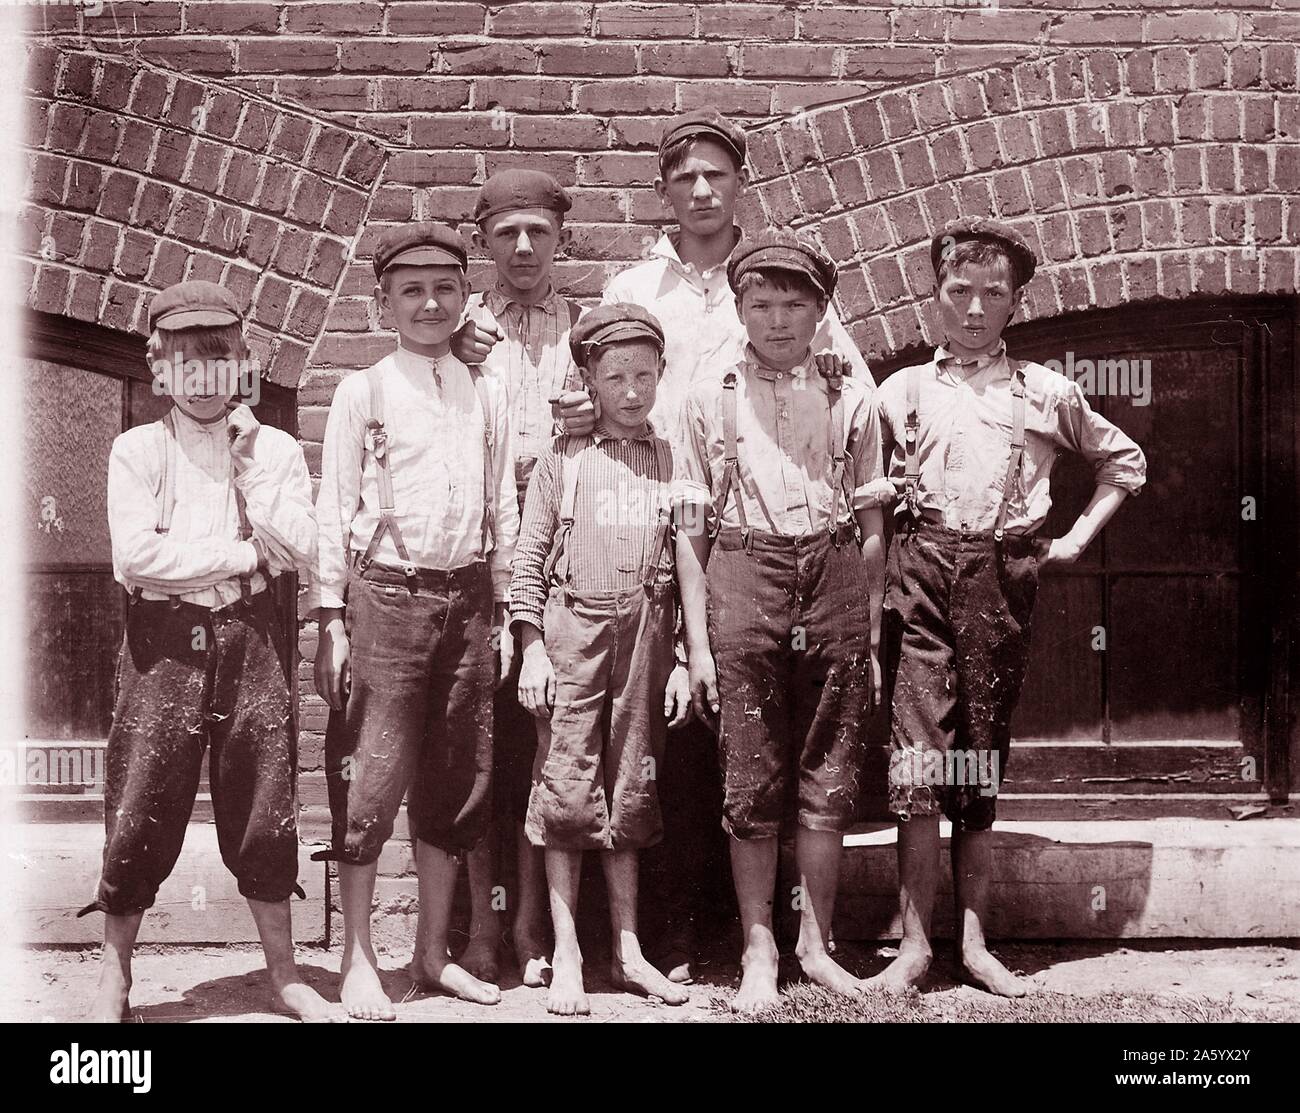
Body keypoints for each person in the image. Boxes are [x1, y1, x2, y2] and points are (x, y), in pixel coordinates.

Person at [869, 218, 1148, 997]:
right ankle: (915, 947)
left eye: (994, 293)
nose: (974, 308)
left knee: (979, 753)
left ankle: (977, 943)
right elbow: (853, 464)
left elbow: (1124, 462)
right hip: (920, 571)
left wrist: (1073, 538)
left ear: (1017, 301)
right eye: (959, 291)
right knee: (919, 756)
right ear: (935, 295)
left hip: (1001, 575)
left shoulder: (1044, 390)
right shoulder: (902, 392)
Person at [83, 280, 335, 1022]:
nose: (203, 377)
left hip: (252, 638)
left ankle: (284, 973)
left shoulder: (276, 449)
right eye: (185, 360)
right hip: (163, 641)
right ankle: (115, 972)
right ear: (159, 366)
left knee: (264, 799)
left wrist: (251, 457)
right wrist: (239, 555)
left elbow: (299, 547)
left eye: (219, 358)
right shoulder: (138, 449)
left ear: (244, 363)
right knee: (142, 800)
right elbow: (137, 558)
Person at [675, 231, 887, 1012]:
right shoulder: (707, 394)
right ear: (739, 310)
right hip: (743, 566)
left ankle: (817, 942)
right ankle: (758, 943)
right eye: (760, 303)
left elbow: (871, 524)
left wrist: (866, 627)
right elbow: (689, 530)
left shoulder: (849, 393)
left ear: (821, 310)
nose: (777, 319)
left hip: (831, 569)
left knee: (829, 766)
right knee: (751, 769)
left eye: (794, 303)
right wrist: (696, 645)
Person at [311, 222, 519, 1019]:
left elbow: (503, 501)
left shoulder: (487, 390)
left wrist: (502, 609)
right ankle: (358, 957)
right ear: (383, 302)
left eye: (445, 289)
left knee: (454, 783)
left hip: (467, 599)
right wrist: (331, 617)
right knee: (372, 777)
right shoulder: (363, 390)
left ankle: (431, 953)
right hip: (385, 598)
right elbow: (334, 511)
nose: (430, 304)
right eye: (411, 291)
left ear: (466, 297)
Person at [510, 303, 691, 1015]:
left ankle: (627, 947)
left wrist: (678, 655)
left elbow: (685, 563)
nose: (632, 390)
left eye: (644, 374)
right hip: (571, 632)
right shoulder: (563, 458)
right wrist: (530, 648)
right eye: (615, 375)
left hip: (645, 634)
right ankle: (566, 953)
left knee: (630, 785)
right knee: (566, 787)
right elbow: (527, 559)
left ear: (661, 375)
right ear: (588, 376)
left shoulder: (671, 459)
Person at [453, 169, 586, 989]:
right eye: (507, 233)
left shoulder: (590, 327)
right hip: (479, 563)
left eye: (539, 231)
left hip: (565, 571)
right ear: (484, 242)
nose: (525, 247)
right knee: (475, 753)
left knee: (547, 746)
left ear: (561, 237)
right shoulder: (458, 330)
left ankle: (535, 923)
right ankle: (478, 927)